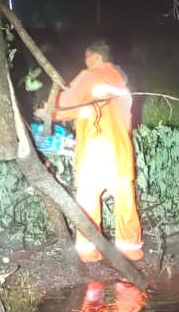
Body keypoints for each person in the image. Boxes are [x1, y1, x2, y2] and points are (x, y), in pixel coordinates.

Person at [50, 40, 143, 262]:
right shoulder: (122, 83)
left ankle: (88, 252)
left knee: (88, 204)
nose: (85, 62)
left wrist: (46, 111)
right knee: (126, 203)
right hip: (120, 152)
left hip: (94, 152)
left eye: (87, 57)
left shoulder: (89, 77)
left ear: (96, 57)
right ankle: (130, 250)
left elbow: (60, 107)